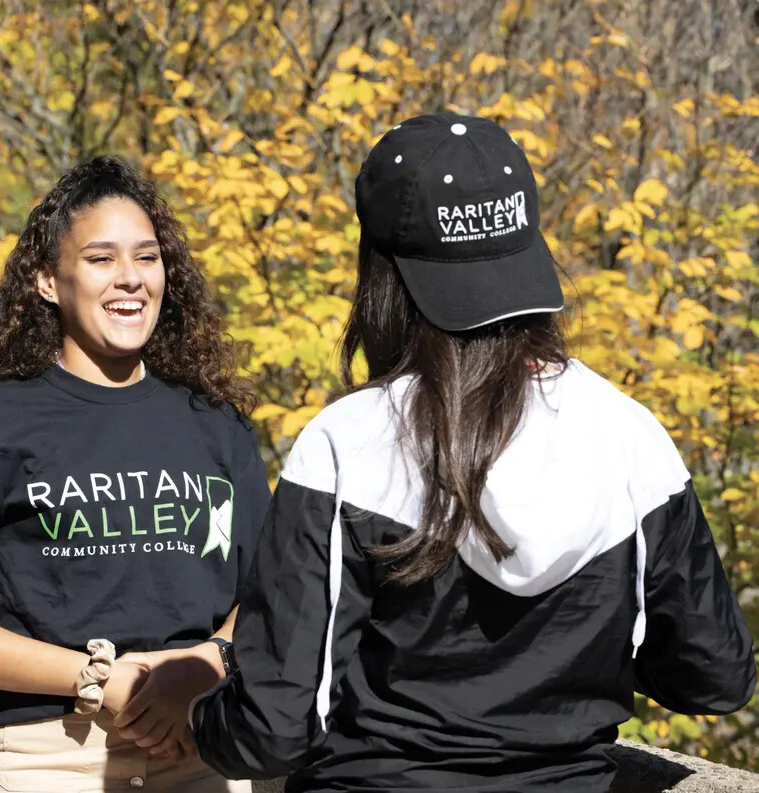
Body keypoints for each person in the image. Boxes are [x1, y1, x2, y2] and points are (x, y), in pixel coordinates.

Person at [190, 113, 755, 792]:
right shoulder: (628, 434)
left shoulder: (349, 442)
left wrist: (195, 713)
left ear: (383, 276)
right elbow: (715, 676)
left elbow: (273, 728)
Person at [0, 156, 269, 793]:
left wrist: (207, 660)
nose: (130, 279)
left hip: (198, 750)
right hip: (47, 757)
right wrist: (99, 678)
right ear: (48, 280)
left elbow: (268, 592)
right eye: (101, 259)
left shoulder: (217, 423)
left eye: (147, 258)